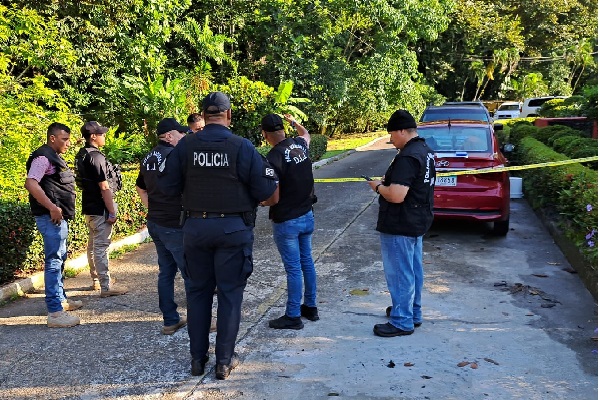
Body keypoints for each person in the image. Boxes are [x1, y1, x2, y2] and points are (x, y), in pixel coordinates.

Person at [159, 92, 278, 380]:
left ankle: (197, 360)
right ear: (228, 115)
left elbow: (166, 187)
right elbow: (267, 192)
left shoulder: (186, 146)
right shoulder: (242, 146)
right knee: (230, 295)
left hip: (196, 229)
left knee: (197, 295)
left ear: (204, 114)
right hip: (233, 230)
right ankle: (224, 361)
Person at [367, 110, 435, 337]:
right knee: (413, 270)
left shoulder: (407, 156)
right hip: (417, 221)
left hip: (400, 223)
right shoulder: (424, 151)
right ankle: (411, 312)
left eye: (392, 134)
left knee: (399, 273)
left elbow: (396, 195)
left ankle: (402, 320)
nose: (390, 139)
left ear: (402, 131)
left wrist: (377, 186)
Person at [261, 113, 318, 330]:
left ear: (265, 134)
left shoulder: (273, 158)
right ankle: (310, 307)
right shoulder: (300, 145)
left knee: (293, 268)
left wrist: (264, 203)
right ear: (284, 129)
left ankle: (293, 315)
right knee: (307, 262)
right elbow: (306, 134)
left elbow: (274, 196)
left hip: (287, 220)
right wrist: (295, 121)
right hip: (307, 215)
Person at [135, 118, 190, 335]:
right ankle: (199, 318)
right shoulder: (175, 156)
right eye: (180, 134)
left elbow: (140, 187)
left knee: (166, 272)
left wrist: (153, 208)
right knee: (191, 273)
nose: (184, 137)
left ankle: (170, 320)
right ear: (169, 136)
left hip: (156, 222)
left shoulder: (148, 157)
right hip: (174, 224)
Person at [25, 123, 82, 328]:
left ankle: (61, 301)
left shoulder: (53, 156)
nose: (68, 143)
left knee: (60, 259)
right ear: (52, 138)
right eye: (64, 139)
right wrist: (51, 207)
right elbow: (31, 183)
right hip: (51, 218)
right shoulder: (43, 157)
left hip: (57, 218)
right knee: (54, 261)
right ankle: (55, 313)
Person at [74, 121, 128, 297]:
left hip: (89, 207)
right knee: (101, 247)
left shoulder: (82, 154)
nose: (104, 136)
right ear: (93, 136)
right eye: (101, 134)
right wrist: (111, 211)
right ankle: (106, 286)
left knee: (93, 245)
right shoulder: (96, 157)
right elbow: (104, 187)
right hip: (100, 209)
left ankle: (97, 281)